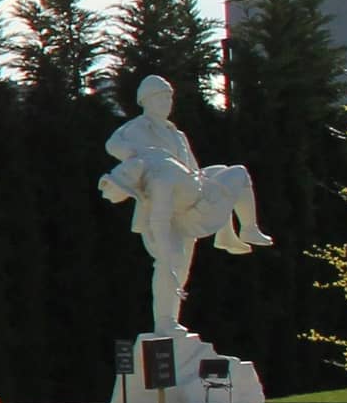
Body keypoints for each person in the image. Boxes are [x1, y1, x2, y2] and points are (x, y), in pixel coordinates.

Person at [101, 73, 271, 337]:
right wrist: (145, 157)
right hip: (163, 206)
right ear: (146, 101)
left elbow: (191, 169)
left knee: (236, 173)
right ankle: (166, 322)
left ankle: (246, 228)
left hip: (189, 195)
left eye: (169, 97)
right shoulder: (137, 129)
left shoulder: (177, 134)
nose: (167, 102)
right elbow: (113, 145)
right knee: (170, 263)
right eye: (160, 97)